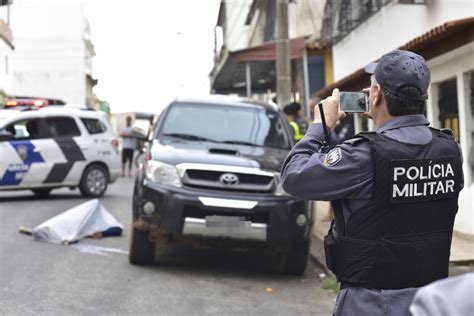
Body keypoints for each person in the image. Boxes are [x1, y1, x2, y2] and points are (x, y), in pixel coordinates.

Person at [280, 50, 464, 316]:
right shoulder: (450, 148)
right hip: (434, 301)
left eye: (373, 88)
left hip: (372, 303)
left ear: (375, 95)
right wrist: (386, 120)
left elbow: (293, 176)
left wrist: (320, 124)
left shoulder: (363, 155)